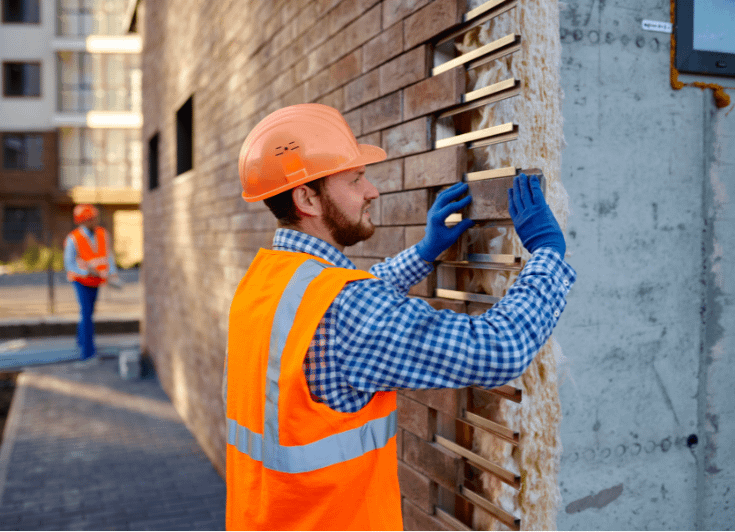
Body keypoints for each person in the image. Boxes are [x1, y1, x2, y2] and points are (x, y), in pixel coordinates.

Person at [225, 104, 576, 530]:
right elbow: (499, 350)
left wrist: (425, 252)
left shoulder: (265, 283)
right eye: (355, 180)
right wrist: (548, 257)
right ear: (307, 198)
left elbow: (350, 302)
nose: (372, 191)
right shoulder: (346, 307)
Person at [64, 204, 119, 363]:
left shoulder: (103, 234)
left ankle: (81, 340)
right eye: (92, 218)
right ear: (83, 220)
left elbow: (108, 255)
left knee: (88, 313)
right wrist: (85, 272)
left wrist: (112, 273)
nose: (95, 220)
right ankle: (87, 352)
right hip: (80, 281)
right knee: (87, 313)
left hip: (96, 280)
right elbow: (69, 264)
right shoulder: (73, 238)